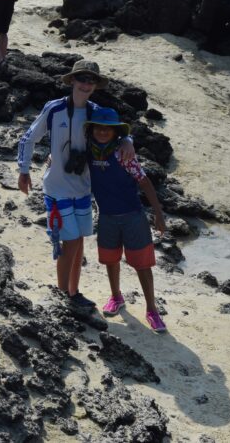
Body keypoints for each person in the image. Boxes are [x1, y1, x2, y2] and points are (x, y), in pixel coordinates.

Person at [16, 60, 134, 308]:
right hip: (57, 189)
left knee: (79, 241)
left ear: (96, 86)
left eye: (91, 80)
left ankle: (73, 292)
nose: (86, 84)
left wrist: (129, 140)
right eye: (81, 79)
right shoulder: (55, 109)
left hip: (83, 188)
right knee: (69, 242)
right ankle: (63, 295)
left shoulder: (96, 112)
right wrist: (23, 170)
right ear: (72, 81)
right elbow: (28, 138)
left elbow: (116, 132)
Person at [84, 108, 168, 332]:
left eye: (108, 129)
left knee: (143, 265)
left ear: (115, 133)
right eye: (98, 128)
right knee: (110, 260)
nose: (102, 131)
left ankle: (152, 310)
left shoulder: (123, 154)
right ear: (91, 130)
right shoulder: (87, 152)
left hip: (133, 217)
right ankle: (116, 296)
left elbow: (145, 182)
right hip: (107, 217)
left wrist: (159, 215)